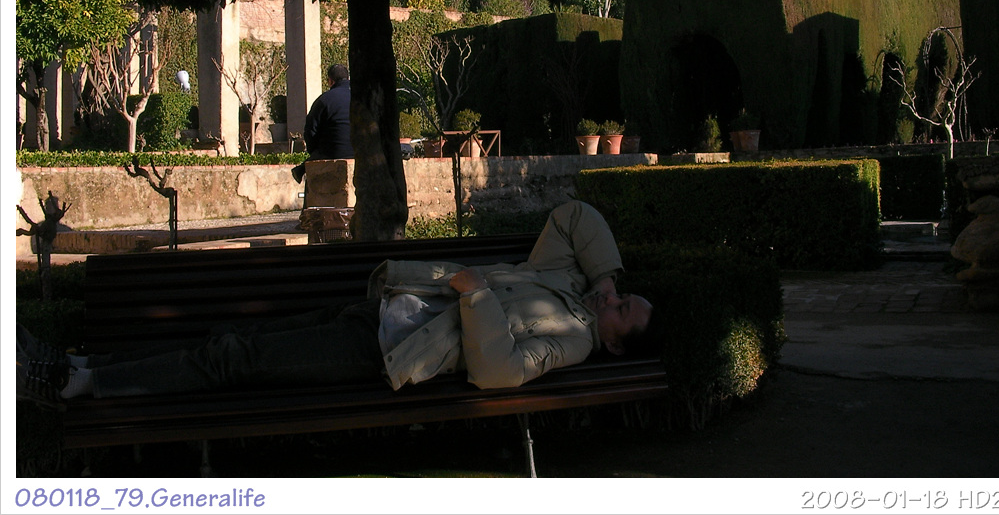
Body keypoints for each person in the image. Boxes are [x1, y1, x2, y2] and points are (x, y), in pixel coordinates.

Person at [17, 201, 657, 406]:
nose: (619, 298)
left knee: (235, 358)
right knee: (228, 341)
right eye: (625, 294)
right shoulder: (569, 281)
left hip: (384, 349)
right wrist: (606, 275)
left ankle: (82, 382)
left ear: (614, 341)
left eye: (625, 308)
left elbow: (499, 372)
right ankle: (84, 365)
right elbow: (575, 214)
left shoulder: (574, 340)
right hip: (379, 311)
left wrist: (479, 292)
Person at [291, 63, 354, 183]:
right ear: (348, 78)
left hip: (333, 152)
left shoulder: (324, 100)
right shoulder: (360, 98)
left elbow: (310, 131)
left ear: (330, 81)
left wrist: (314, 151)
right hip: (360, 150)